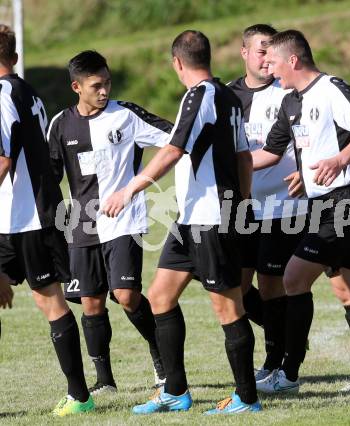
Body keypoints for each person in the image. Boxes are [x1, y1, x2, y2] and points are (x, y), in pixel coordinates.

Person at [102, 30, 261, 415]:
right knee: (159, 297)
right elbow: (244, 158)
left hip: (210, 218)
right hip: (191, 218)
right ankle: (175, 391)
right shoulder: (227, 95)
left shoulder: (201, 95)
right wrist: (243, 199)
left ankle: (246, 398)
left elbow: (173, 149)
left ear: (177, 62)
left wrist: (131, 189)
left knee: (227, 307)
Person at [251, 29, 350, 393]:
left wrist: (341, 159)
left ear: (293, 60)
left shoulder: (331, 89)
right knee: (348, 289)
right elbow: (269, 152)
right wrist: (227, 165)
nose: (270, 69)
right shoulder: (290, 102)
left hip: (345, 201)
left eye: (274, 62)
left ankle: (289, 376)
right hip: (319, 205)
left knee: (293, 278)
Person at [47, 50, 172, 395]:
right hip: (83, 225)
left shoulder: (126, 115)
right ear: (76, 87)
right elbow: (50, 176)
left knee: (127, 295)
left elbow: (175, 140)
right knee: (91, 302)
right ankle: (105, 381)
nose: (104, 91)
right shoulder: (60, 124)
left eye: (107, 84)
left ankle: (161, 355)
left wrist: (139, 183)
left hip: (124, 220)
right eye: (96, 86)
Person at [0, 25, 94, 416]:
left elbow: (4, 159)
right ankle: (79, 394)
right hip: (22, 215)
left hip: (26, 218)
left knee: (50, 302)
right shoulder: (28, 91)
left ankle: (79, 396)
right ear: (15, 57)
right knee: (50, 302)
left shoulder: (3, 94)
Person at [229, 24, 307, 381]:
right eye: (260, 50)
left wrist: (307, 172)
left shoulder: (287, 91)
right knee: (237, 287)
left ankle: (276, 359)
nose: (265, 59)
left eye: (270, 52)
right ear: (244, 52)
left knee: (273, 281)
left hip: (282, 204)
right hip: (241, 206)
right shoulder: (226, 96)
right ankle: (292, 337)